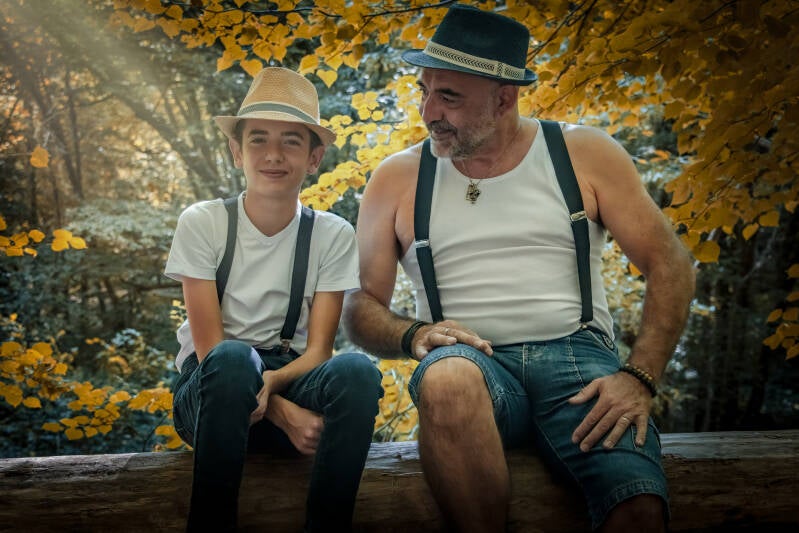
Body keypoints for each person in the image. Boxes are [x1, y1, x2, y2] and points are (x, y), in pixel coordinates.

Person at [343, 4, 695, 532]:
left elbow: (671, 263)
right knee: (446, 380)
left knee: (637, 506)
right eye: (424, 90)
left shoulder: (581, 153)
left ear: (503, 97)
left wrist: (640, 376)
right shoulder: (397, 179)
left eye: (449, 97)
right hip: (467, 360)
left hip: (575, 359)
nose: (428, 110)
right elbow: (359, 304)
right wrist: (414, 333)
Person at [165, 67, 383, 532]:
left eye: (291, 141)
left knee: (357, 371)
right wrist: (284, 415)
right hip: (210, 396)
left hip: (290, 375)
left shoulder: (331, 234)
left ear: (314, 158)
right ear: (236, 151)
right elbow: (208, 351)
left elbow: (321, 352)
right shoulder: (203, 222)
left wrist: (276, 388)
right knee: (230, 359)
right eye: (258, 139)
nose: (273, 155)